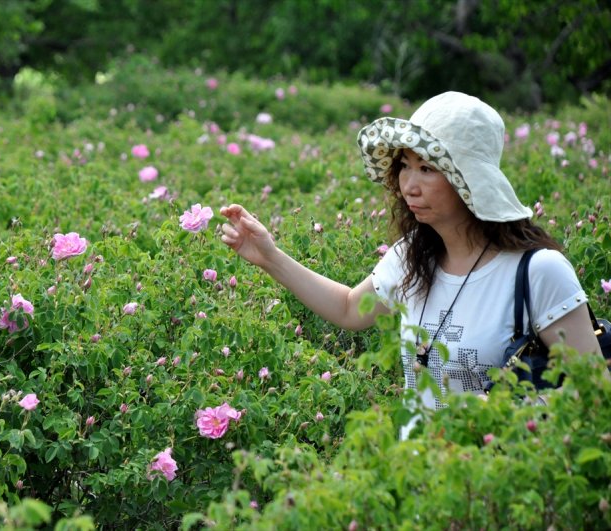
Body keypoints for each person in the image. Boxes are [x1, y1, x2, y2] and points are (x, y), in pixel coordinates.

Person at [219, 91, 601, 438]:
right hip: (415, 482)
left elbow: (593, 391)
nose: (409, 185)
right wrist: (270, 257)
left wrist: (497, 416)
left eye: (428, 168)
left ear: (469, 179)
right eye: (404, 165)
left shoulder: (537, 271)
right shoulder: (412, 256)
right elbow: (351, 308)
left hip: (499, 488)